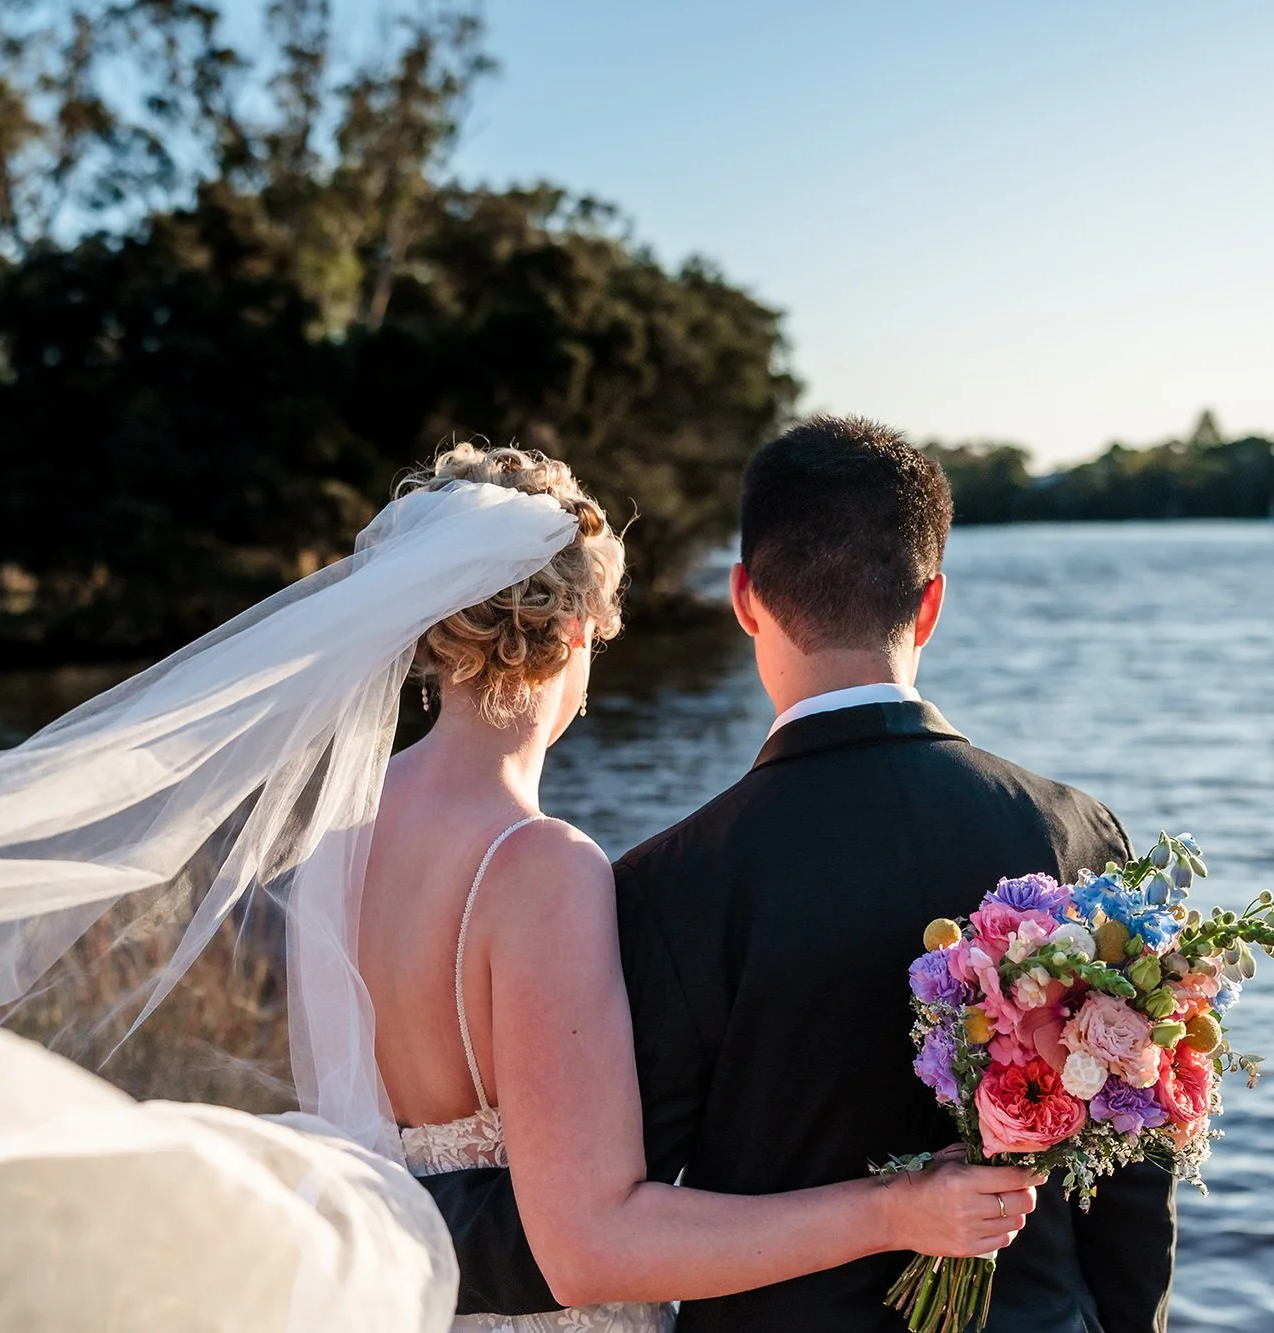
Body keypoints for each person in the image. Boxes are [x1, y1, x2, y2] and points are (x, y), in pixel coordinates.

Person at [412, 419, 1179, 1331]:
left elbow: (595, 1212)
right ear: (931, 603)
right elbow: (1135, 1168)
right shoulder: (1077, 836)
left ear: (745, 597)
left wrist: (357, 1208)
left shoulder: (670, 884)